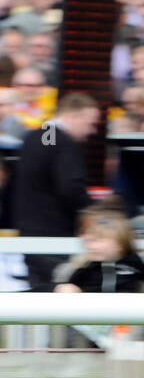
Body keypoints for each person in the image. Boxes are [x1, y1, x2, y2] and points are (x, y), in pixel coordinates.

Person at [12, 92, 100, 292]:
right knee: (61, 288)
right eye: (90, 123)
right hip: (54, 235)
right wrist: (97, 215)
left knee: (41, 290)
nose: (92, 131)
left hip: (29, 232)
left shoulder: (37, 135)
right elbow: (70, 188)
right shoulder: (62, 142)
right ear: (73, 116)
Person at [53, 204, 144, 295]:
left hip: (128, 310)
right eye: (89, 241)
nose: (91, 246)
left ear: (120, 244)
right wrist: (60, 288)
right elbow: (50, 287)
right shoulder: (86, 269)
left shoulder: (134, 264)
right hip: (92, 311)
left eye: (98, 240)